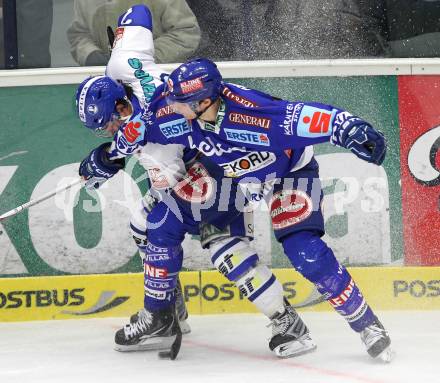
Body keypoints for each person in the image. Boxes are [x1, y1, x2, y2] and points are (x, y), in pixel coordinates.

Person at [77, 57, 394, 362]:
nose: (170, 106)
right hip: (237, 179)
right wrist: (102, 161)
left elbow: (303, 117)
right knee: (190, 235)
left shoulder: (250, 116)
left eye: (177, 102)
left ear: (202, 102)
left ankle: (367, 325)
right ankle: (179, 311)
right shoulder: (177, 115)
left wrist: (347, 126)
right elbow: (137, 133)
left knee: (306, 253)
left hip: (289, 174)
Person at [77, 4, 316, 359]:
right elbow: (138, 13)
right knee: (143, 224)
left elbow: (169, 186)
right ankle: (167, 311)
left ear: (124, 108)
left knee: (217, 243)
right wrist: (114, 151)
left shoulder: (159, 148)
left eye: (108, 124)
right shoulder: (123, 63)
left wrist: (109, 159)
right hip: (213, 141)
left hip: (221, 164)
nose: (107, 131)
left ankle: (283, 322)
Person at [67, 0, 200, 66]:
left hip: (158, 84)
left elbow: (186, 32)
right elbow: (79, 33)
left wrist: (141, 57)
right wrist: (90, 54)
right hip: (106, 84)